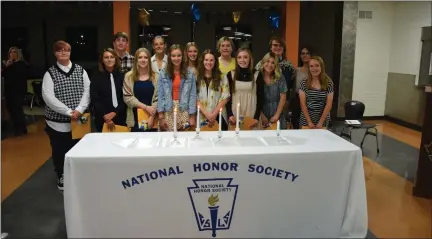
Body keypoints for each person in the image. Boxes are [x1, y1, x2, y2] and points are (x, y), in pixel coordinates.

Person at [42, 40, 90, 191]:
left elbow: (87, 91)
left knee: (79, 149)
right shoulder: (50, 73)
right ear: (55, 53)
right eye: (60, 50)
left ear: (70, 52)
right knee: (59, 150)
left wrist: (80, 110)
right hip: (57, 122)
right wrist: (69, 112)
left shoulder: (80, 70)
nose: (63, 53)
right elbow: (48, 97)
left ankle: (79, 174)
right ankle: (61, 175)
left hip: (79, 119)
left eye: (66, 50)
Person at [157, 44, 197, 131]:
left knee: (184, 140)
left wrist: (192, 115)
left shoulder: (190, 73)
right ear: (169, 57)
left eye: (179, 55)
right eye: (173, 56)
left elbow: (193, 95)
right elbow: (160, 95)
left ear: (183, 56)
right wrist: (160, 116)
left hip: (184, 109)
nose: (176, 58)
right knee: (168, 140)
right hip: (168, 109)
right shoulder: (163, 73)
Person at [90, 48, 126, 132]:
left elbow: (125, 97)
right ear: (102, 60)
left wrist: (115, 112)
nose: (109, 59)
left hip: (120, 117)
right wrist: (106, 117)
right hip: (102, 119)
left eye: (112, 57)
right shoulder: (96, 77)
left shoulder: (122, 76)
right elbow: (95, 99)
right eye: (106, 57)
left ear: (115, 59)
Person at [123, 48, 159, 131]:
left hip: (152, 119)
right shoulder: (128, 76)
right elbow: (127, 98)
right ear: (136, 60)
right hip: (134, 120)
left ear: (149, 60)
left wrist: (152, 117)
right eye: (140, 57)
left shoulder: (156, 76)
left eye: (146, 58)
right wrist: (146, 108)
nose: (143, 60)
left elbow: (159, 98)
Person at [225, 47, 261, 128]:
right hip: (235, 112)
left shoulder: (257, 74)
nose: (242, 60)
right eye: (239, 57)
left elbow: (260, 98)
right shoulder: (230, 74)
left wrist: (256, 117)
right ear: (236, 59)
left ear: (250, 59)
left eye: (245, 57)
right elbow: (227, 97)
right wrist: (230, 115)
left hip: (251, 111)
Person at [196, 49, 230, 130]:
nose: (209, 62)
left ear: (215, 62)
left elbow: (225, 97)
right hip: (201, 116)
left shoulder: (222, 77)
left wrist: (214, 114)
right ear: (202, 61)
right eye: (206, 60)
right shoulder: (196, 77)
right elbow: (194, 98)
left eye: (211, 60)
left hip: (218, 116)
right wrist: (207, 114)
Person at [299, 56, 334, 129]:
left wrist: (321, 122)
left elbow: (329, 104)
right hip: (306, 119)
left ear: (322, 67)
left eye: (317, 65)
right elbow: (303, 104)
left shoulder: (329, 83)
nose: (314, 68)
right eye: (311, 66)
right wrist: (309, 122)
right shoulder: (303, 83)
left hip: (323, 120)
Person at [257, 52, 287, 129]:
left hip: (278, 113)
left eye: (273, 63)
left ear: (276, 65)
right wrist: (262, 115)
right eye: (268, 61)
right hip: (262, 113)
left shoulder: (280, 77)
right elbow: (255, 98)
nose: (270, 65)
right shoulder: (257, 76)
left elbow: (283, 98)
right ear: (263, 62)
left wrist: (277, 115)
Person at [2, 47, 28, 136]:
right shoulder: (10, 65)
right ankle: (18, 127)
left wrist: (8, 67)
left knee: (17, 109)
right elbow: (3, 74)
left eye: (14, 52)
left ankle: (21, 128)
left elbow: (16, 76)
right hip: (9, 90)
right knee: (11, 108)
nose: (11, 54)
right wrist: (6, 66)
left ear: (18, 54)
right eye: (10, 53)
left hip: (17, 90)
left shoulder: (21, 64)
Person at [289, 46, 312, 129]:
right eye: (302, 53)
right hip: (298, 101)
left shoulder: (315, 70)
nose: (305, 55)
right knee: (296, 125)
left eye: (307, 53)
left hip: (311, 100)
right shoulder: (296, 70)